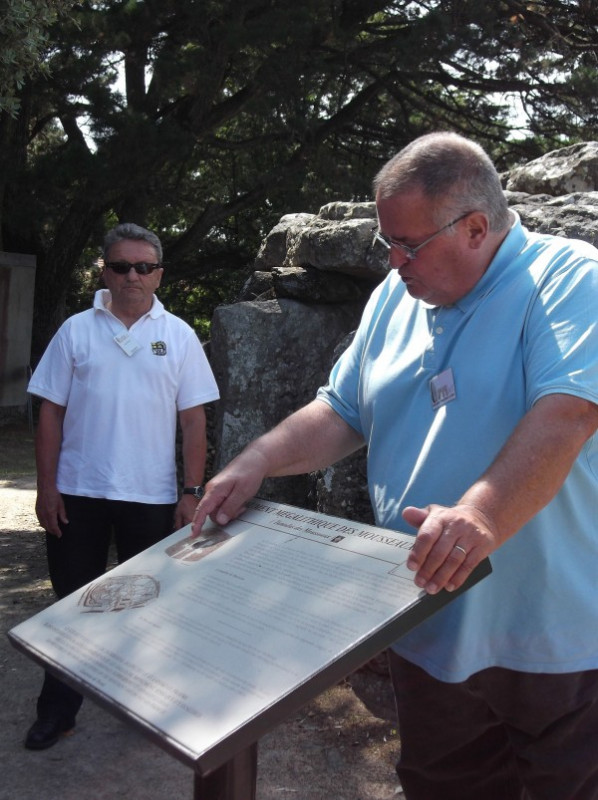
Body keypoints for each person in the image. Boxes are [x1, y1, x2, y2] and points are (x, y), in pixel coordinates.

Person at [191, 133, 598, 799]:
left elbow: (570, 413)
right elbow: (342, 410)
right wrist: (258, 460)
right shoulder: (394, 297)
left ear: (474, 227)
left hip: (558, 644)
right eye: (388, 245)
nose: (396, 262)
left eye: (409, 245)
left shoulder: (568, 277)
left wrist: (480, 515)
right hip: (428, 631)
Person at [25, 222, 219, 750]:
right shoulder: (75, 331)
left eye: (144, 267)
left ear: (158, 274)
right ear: (103, 270)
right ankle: (57, 712)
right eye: (120, 265)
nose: (132, 276)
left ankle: (149, 711)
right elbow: (50, 413)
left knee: (150, 608)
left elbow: (194, 420)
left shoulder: (178, 335)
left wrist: (191, 491)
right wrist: (47, 488)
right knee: (71, 607)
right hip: (79, 494)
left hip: (151, 497)